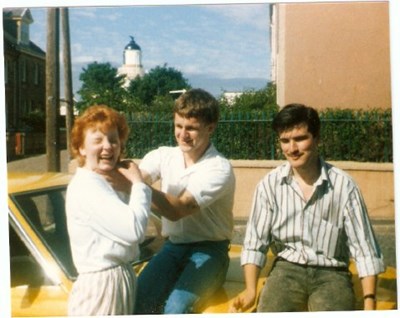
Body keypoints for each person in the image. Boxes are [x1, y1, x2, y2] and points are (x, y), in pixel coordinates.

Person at [230, 103, 385, 313]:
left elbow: (364, 248)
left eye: (300, 139)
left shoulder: (344, 186)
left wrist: (369, 302)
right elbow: (255, 243)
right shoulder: (269, 185)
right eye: (285, 141)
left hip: (332, 273)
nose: (292, 149)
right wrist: (250, 290)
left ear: (317, 138)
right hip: (286, 270)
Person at [134, 88, 236, 314]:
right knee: (136, 300)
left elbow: (177, 209)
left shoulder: (219, 168)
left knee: (176, 308)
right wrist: (129, 178)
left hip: (209, 250)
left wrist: (133, 185)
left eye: (191, 128)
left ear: (211, 128)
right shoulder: (164, 155)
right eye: (178, 126)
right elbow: (140, 176)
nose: (183, 134)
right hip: (172, 247)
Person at [65, 105, 151, 316]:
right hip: (100, 286)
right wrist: (139, 184)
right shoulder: (87, 187)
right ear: (81, 148)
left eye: (113, 140)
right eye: (97, 140)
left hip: (116, 279)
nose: (108, 147)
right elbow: (134, 231)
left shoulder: (103, 183)